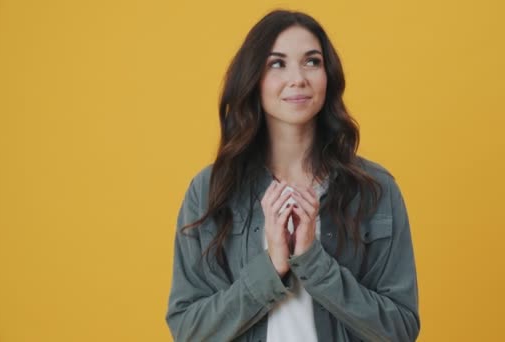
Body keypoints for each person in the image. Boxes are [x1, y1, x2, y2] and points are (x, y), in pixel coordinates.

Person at [165, 9, 420, 342]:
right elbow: (188, 331)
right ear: (254, 78)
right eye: (277, 63)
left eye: (312, 62)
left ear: (328, 76)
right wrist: (270, 268)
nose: (298, 78)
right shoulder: (211, 189)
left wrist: (313, 262)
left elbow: (400, 330)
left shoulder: (375, 190)